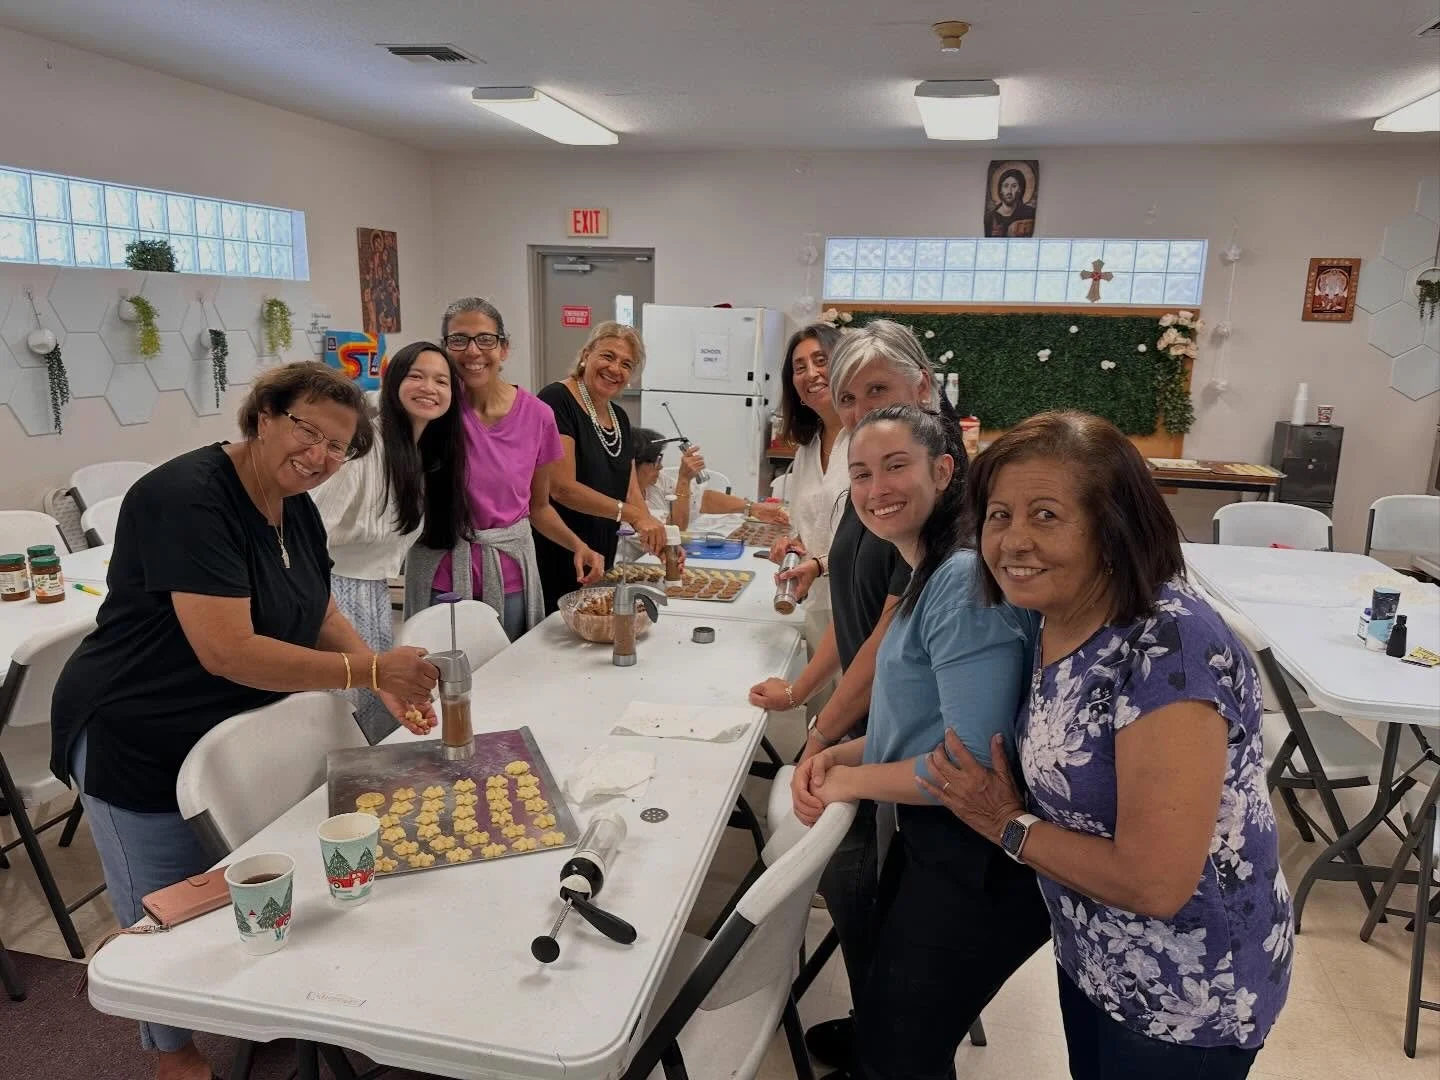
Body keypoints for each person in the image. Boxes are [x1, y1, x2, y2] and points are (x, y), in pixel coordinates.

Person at [49, 363, 438, 1080]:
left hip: (234, 730)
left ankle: (254, 1014)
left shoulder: (296, 505)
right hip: (140, 733)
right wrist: (371, 670)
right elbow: (228, 651)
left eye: (338, 447)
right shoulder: (186, 499)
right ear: (262, 416)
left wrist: (370, 677)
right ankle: (177, 1054)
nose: (320, 456)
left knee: (251, 886)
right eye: (307, 431)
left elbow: (318, 606)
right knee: (166, 914)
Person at [924, 410, 1292, 1079]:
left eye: (1045, 515)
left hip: (1189, 993)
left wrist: (1010, 827)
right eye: (999, 515)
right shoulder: (1056, 612)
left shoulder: (1168, 648)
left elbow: (1155, 883)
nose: (1013, 541)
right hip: (1097, 955)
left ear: (1111, 527)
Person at [792, 404, 1049, 1080]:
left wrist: (846, 778)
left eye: (896, 466)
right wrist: (836, 754)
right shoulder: (927, 572)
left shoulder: (961, 583)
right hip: (935, 836)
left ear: (943, 470)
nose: (877, 489)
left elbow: (969, 768)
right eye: (861, 473)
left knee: (901, 1053)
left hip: (979, 857)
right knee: (891, 1024)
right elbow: (917, 723)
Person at [748, 319, 954, 1075]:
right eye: (849, 395)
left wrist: (823, 728)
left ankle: (890, 1048)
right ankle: (879, 1030)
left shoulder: (924, 497)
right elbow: (851, 607)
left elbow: (889, 636)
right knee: (860, 889)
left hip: (899, 728)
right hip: (867, 719)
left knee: (869, 888)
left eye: (878, 390)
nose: (860, 407)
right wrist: (806, 694)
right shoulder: (873, 486)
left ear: (922, 390)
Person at [404, 298, 605, 638]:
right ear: (444, 350)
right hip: (441, 569)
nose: (472, 351)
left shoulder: (539, 416)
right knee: (437, 679)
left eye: (485, 339)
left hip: (510, 571)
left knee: (508, 672)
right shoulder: (432, 411)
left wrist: (578, 544)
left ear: (504, 348)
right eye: (459, 340)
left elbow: (538, 507)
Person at [310, 341, 465, 741]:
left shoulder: (419, 450)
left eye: (441, 380)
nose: (428, 387)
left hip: (371, 595)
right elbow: (309, 528)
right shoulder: (364, 446)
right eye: (416, 376)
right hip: (329, 597)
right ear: (393, 380)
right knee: (340, 717)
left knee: (376, 708)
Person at [534, 321, 667, 611]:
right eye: (607, 356)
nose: (615, 369)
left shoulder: (619, 417)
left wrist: (658, 538)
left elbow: (631, 492)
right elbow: (562, 488)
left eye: (626, 364)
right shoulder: (557, 399)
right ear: (586, 355)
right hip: (561, 550)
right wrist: (632, 514)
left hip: (600, 554)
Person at [766, 323, 849, 645]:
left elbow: (878, 539)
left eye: (820, 360)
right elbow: (806, 525)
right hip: (816, 602)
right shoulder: (807, 449)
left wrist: (819, 564)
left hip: (861, 603)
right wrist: (793, 545)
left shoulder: (868, 442)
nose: (810, 373)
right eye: (799, 368)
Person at [631, 426, 790, 529]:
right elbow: (675, 530)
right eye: (656, 460)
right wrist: (684, 480)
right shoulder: (624, 499)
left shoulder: (656, 482)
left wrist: (753, 508)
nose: (661, 466)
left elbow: (702, 500)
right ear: (633, 464)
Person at [984, 167, 1037, 238]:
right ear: (1000, 190)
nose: (1009, 191)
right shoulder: (990, 217)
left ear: (1020, 190)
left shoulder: (1029, 213)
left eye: (1014, 186)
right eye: (1005, 186)